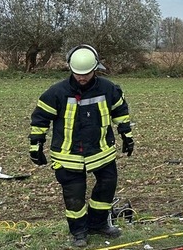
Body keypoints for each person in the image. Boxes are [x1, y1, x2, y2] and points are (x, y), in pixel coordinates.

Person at [28, 44, 134, 248]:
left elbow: (120, 111)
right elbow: (40, 119)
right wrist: (36, 145)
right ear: (70, 69)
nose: (82, 77)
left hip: (101, 152)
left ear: (96, 69)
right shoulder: (56, 92)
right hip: (68, 156)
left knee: (106, 188)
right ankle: (79, 232)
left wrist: (126, 135)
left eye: (86, 73)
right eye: (77, 73)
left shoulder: (108, 88)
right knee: (74, 197)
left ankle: (98, 224)